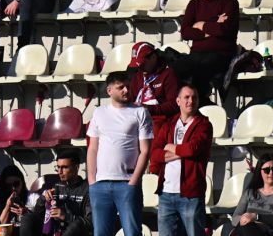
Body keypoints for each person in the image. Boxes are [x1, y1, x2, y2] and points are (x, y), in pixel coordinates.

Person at [87, 71, 152, 236]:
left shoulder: (140, 112)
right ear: (109, 91)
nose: (126, 90)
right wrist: (92, 180)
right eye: (121, 87)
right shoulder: (99, 112)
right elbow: (92, 148)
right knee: (101, 233)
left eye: (128, 87)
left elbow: (145, 150)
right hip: (100, 184)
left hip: (126, 183)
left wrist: (134, 181)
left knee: (132, 232)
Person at [170, 0, 240, 100]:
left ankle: (201, 108)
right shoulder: (194, 4)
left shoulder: (230, 2)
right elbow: (185, 32)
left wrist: (201, 25)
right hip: (196, 54)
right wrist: (212, 26)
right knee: (171, 71)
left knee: (200, 71)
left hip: (221, 55)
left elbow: (223, 30)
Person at [156, 85, 212, 236]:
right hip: (166, 193)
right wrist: (183, 151)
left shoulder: (204, 125)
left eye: (194, 97)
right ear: (178, 101)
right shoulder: (168, 125)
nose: (191, 101)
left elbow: (193, 148)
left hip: (191, 194)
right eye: (187, 97)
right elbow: (155, 154)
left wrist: (171, 147)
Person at [125, 42, 180, 173]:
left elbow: (174, 105)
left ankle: (154, 174)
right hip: (136, 118)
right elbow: (131, 100)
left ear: (153, 58)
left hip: (159, 120)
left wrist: (148, 109)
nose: (141, 68)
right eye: (138, 65)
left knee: (153, 132)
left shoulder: (168, 74)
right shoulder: (137, 76)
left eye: (143, 64)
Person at [20, 148, 92, 236]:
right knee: (27, 218)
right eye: (58, 167)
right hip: (56, 231)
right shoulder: (57, 186)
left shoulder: (87, 189)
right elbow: (37, 215)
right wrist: (43, 199)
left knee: (75, 225)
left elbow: (90, 223)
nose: (60, 172)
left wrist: (66, 216)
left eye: (65, 167)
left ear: (76, 167)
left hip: (76, 232)